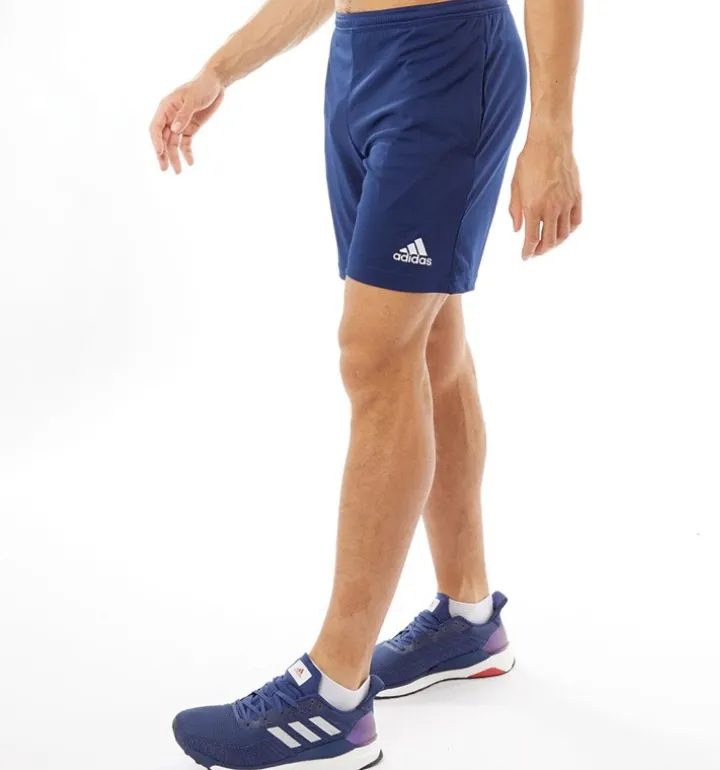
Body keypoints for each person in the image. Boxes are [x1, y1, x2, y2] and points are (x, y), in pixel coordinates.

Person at [149, 0, 582, 767]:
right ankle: (468, 619)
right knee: (429, 340)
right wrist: (220, 69)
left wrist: (552, 128)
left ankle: (333, 696)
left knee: (374, 355)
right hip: (359, 62)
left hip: (448, 63)